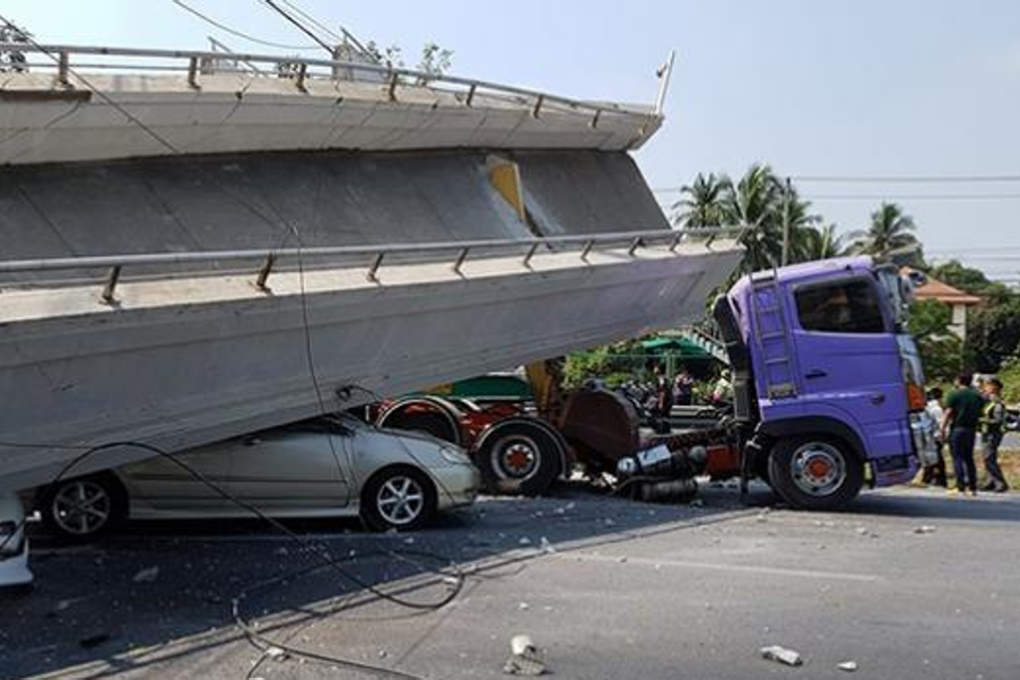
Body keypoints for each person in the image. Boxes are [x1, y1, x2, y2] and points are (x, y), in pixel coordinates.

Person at [941, 373, 985, 496]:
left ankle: (960, 487)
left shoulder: (954, 394)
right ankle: (972, 487)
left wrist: (942, 429)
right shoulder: (977, 396)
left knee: (957, 458)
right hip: (971, 429)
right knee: (969, 458)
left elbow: (948, 412)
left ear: (959, 381)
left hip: (957, 428)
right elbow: (981, 412)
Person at [979, 378, 1010, 493]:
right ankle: (990, 482)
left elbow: (998, 420)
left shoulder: (997, 403)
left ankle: (1001, 483)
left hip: (993, 433)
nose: (985, 388)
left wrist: (981, 420)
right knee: (987, 458)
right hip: (986, 432)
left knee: (989, 458)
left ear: (995, 387)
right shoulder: (989, 400)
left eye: (988, 386)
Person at [921, 387, 948, 488]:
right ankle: (930, 478)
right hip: (933, 436)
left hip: (934, 436)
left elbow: (940, 424)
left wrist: (940, 436)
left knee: (936, 459)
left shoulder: (934, 408)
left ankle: (938, 479)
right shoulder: (934, 407)